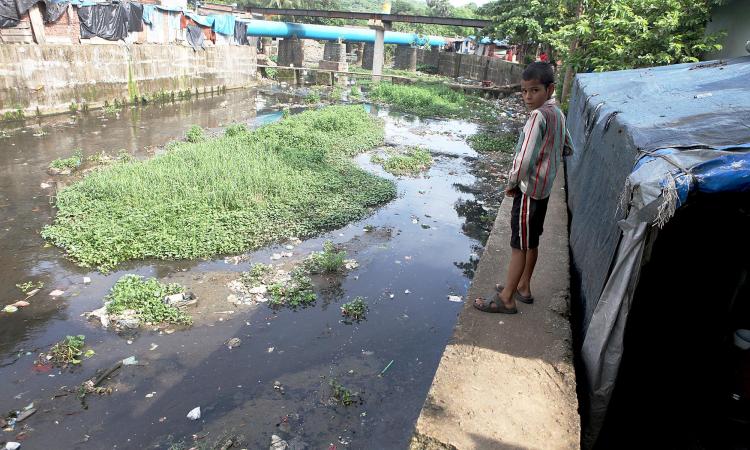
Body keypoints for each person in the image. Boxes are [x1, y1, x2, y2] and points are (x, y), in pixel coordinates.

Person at [474, 62, 573, 314]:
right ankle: (523, 286)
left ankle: (506, 298)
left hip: (528, 191)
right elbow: (568, 147)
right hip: (545, 190)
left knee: (519, 244)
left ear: (549, 89)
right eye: (524, 91)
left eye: (535, 90)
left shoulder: (537, 117)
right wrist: (550, 161)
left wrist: (512, 182)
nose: (528, 97)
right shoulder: (558, 114)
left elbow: (524, 158)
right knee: (533, 240)